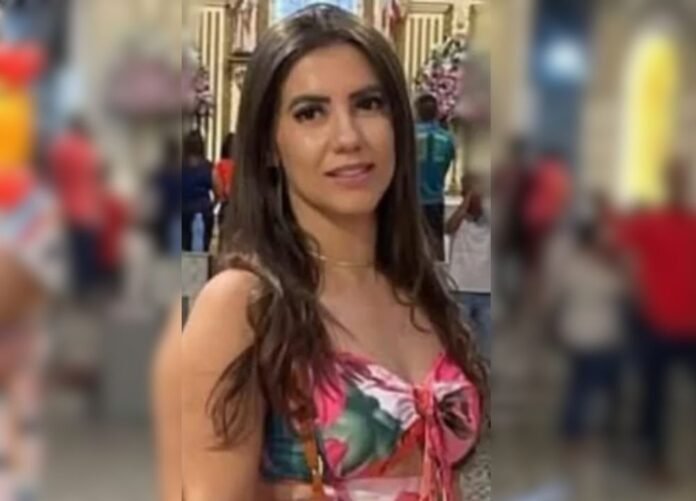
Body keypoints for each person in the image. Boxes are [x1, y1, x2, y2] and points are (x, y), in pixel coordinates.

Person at [180, 5, 486, 500]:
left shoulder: (420, 288)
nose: (348, 137)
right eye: (310, 113)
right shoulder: (242, 306)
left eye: (369, 104)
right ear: (269, 145)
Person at [619, 157, 696, 479]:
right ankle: (652, 456)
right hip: (657, 323)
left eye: (683, 177)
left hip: (689, 324)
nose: (679, 182)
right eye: (674, 177)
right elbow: (619, 249)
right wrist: (637, 292)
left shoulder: (691, 223)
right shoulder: (650, 222)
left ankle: (650, 449)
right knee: (655, 397)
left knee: (657, 395)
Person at [48, 117, 103, 297]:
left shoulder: (60, 149)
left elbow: (55, 178)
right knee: (87, 252)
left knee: (73, 252)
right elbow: (96, 177)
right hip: (88, 209)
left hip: (68, 209)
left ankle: (78, 288)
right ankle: (86, 288)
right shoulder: (89, 150)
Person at [446, 173, 491, 360]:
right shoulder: (459, 218)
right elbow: (449, 228)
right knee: (460, 347)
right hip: (460, 289)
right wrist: (466, 202)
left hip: (488, 292)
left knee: (487, 349)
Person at [415, 93, 456, 261]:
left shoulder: (408, 136)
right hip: (435, 197)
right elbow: (447, 164)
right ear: (436, 112)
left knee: (410, 244)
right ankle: (438, 273)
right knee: (436, 243)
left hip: (411, 198)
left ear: (417, 111)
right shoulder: (447, 138)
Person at [181, 131, 213, 252]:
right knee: (201, 251)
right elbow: (219, 190)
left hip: (183, 211)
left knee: (184, 247)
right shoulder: (208, 167)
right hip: (203, 211)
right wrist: (211, 205)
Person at [213, 133, 236, 248]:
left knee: (223, 239)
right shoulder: (241, 166)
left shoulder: (220, 165)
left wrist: (218, 199)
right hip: (240, 207)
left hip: (226, 206)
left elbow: (218, 187)